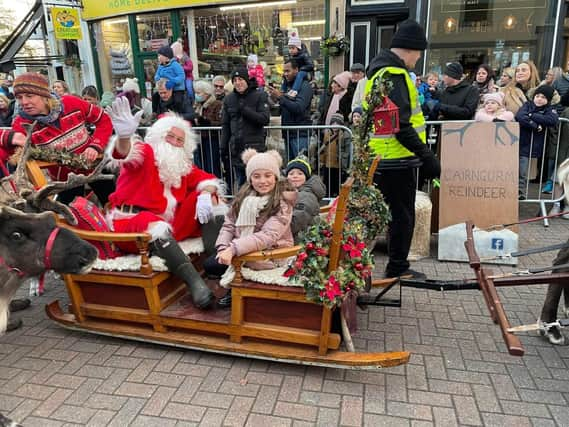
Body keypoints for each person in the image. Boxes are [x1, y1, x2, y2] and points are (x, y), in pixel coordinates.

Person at [106, 97, 228, 309]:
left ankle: (216, 265)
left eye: (180, 140)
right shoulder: (146, 153)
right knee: (155, 224)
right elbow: (123, 154)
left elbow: (206, 179)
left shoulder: (181, 166)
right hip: (130, 223)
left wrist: (208, 192)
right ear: (158, 136)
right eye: (169, 136)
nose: (174, 142)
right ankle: (195, 284)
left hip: (169, 224)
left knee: (212, 199)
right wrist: (124, 136)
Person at [364, 19, 440, 279]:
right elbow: (401, 125)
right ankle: (397, 268)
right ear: (410, 48)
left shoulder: (377, 73)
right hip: (397, 159)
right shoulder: (394, 75)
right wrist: (427, 155)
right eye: (419, 53)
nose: (418, 59)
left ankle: (360, 268)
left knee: (375, 217)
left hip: (382, 157)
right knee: (401, 218)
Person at [0, 72, 114, 205]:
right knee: (75, 218)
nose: (24, 102)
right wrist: (10, 136)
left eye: (30, 96)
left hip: (96, 166)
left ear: (44, 95)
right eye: (19, 97)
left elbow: (103, 120)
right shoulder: (22, 124)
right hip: (65, 181)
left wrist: (95, 145)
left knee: (113, 205)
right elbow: (5, 153)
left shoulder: (71, 103)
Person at [204, 149, 296, 307]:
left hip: (270, 253)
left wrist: (233, 249)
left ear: (275, 177)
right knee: (210, 264)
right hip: (244, 246)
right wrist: (223, 247)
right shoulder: (245, 197)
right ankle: (232, 285)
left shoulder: (282, 203)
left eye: (267, 175)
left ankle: (239, 292)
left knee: (220, 264)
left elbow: (267, 236)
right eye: (256, 176)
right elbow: (229, 224)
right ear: (250, 179)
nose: (262, 181)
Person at [220, 67, 270, 188]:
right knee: (241, 183)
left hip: (255, 148)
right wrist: (223, 148)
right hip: (236, 148)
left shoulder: (259, 95)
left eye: (240, 79)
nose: (238, 83)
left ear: (247, 80)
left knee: (256, 183)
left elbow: (264, 119)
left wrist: (245, 110)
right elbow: (226, 125)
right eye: (235, 80)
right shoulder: (229, 99)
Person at [516, 85, 559, 200]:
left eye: (543, 97)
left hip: (535, 146)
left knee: (523, 171)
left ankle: (520, 192)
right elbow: (520, 116)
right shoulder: (527, 105)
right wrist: (534, 125)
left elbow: (552, 120)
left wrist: (532, 115)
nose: (539, 99)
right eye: (537, 96)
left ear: (548, 100)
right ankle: (518, 191)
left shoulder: (550, 109)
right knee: (519, 170)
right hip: (521, 143)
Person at [267, 59, 313, 160]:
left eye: (288, 71)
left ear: (296, 70)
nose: (285, 74)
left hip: (300, 134)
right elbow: (284, 107)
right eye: (284, 71)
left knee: (300, 167)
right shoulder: (288, 86)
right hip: (289, 133)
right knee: (291, 169)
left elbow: (298, 107)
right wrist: (274, 99)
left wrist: (280, 97)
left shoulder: (305, 86)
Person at [285, 155, 325, 237]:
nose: (295, 176)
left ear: (306, 178)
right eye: (291, 173)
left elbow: (298, 220)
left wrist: (275, 229)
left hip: (301, 239)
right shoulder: (289, 192)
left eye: (300, 173)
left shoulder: (307, 196)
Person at [193, 80, 223, 177]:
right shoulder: (197, 105)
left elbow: (221, 122)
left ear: (206, 93)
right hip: (200, 139)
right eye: (195, 92)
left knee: (212, 166)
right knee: (202, 166)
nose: (196, 95)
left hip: (212, 139)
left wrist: (207, 122)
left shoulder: (216, 104)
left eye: (198, 92)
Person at [319, 113, 350, 197]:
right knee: (328, 184)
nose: (335, 125)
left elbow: (346, 150)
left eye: (337, 123)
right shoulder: (327, 133)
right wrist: (322, 161)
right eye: (333, 123)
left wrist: (345, 163)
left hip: (338, 164)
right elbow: (323, 148)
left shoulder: (344, 135)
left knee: (338, 184)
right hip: (328, 164)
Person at [283, 31, 314, 98]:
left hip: (307, 74)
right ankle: (283, 90)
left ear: (298, 48)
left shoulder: (304, 55)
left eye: (293, 48)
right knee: (285, 74)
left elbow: (311, 66)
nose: (290, 50)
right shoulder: (292, 57)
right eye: (289, 48)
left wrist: (300, 69)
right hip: (298, 72)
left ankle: (294, 91)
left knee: (300, 74)